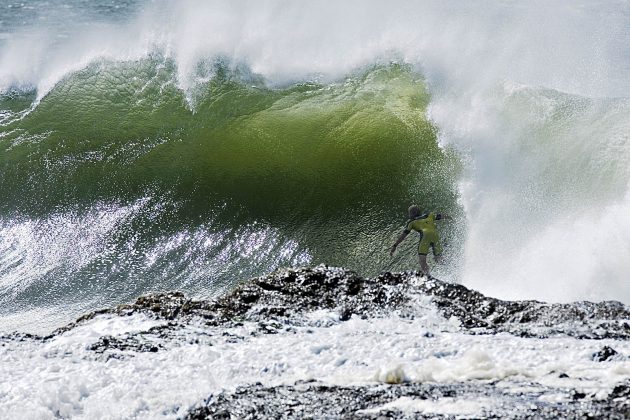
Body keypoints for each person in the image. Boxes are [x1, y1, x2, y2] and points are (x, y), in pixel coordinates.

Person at [390, 205, 450, 277]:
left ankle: (428, 277)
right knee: (438, 258)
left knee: (422, 261)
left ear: (412, 213)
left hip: (425, 236)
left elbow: (403, 235)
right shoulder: (430, 215)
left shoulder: (411, 222)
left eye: (410, 213)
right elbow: (443, 216)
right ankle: (451, 267)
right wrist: (451, 218)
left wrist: (395, 245)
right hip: (435, 235)